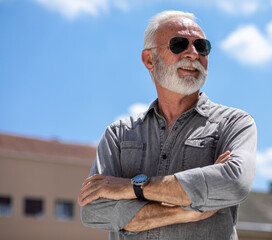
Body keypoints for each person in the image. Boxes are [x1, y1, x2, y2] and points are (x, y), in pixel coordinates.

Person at [78, 10, 256, 240]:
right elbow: (92, 210)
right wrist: (184, 211)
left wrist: (131, 188)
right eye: (179, 44)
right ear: (149, 59)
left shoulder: (234, 123)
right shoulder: (119, 135)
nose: (193, 53)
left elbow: (233, 183)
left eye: (201, 46)